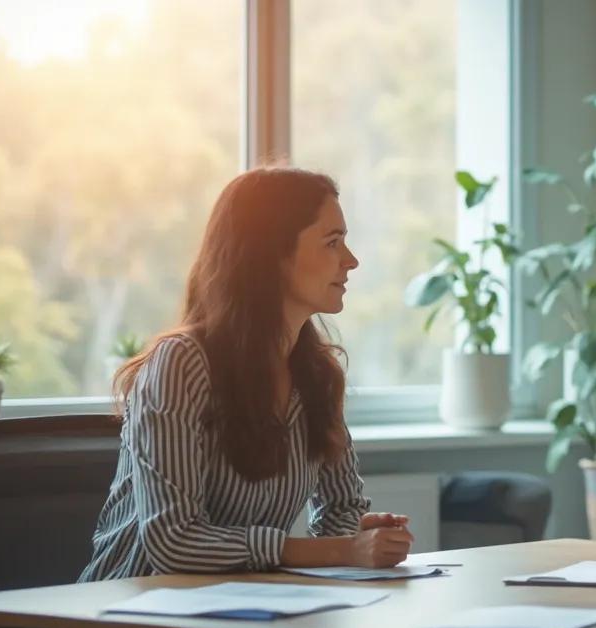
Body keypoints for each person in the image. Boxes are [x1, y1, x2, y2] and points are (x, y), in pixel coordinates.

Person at [80, 167, 413, 580]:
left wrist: (353, 540)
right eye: (332, 242)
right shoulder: (180, 364)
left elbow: (342, 509)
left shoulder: (317, 376)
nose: (351, 260)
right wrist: (338, 550)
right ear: (271, 254)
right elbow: (173, 542)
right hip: (126, 619)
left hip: (242, 610)